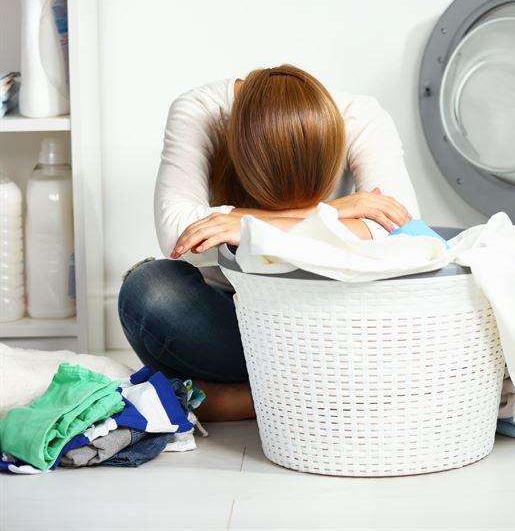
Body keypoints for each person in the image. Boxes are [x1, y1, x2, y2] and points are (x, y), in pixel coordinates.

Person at [118, 65, 418, 421]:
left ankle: (241, 399)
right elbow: (178, 235)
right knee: (150, 289)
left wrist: (246, 224)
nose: (289, 214)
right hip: (237, 316)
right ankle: (318, 393)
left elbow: (402, 230)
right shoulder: (201, 113)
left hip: (327, 317)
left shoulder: (358, 116)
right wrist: (334, 214)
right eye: (273, 206)